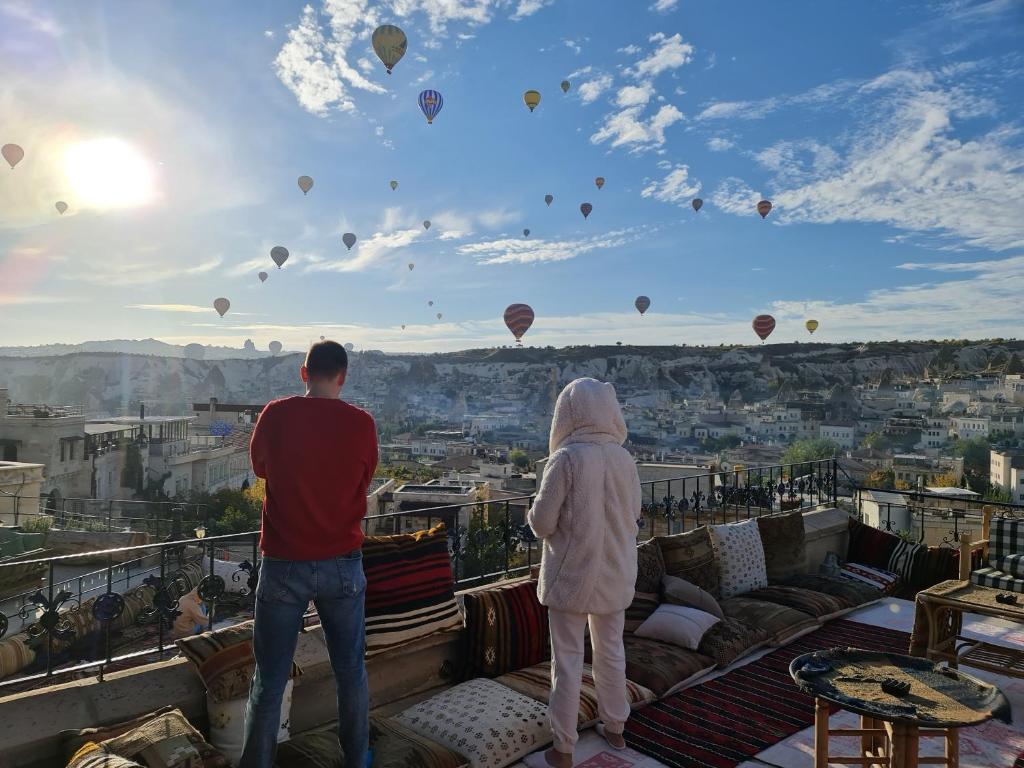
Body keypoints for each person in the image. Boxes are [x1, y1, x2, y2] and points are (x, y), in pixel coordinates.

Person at [240, 341, 378, 768]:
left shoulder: (276, 415)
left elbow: (261, 467)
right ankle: (356, 759)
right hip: (342, 563)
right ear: (343, 375)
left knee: (269, 680)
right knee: (350, 673)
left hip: (283, 562)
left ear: (304, 373)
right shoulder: (362, 423)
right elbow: (365, 476)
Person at [528, 378, 640, 767]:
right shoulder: (625, 460)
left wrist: (532, 513)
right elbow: (634, 516)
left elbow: (542, 523)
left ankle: (563, 747)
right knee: (611, 652)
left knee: (568, 660)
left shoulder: (567, 459)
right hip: (615, 571)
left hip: (571, 576)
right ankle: (616, 727)